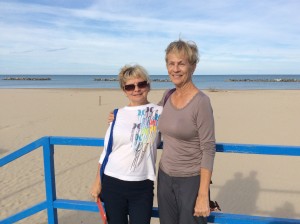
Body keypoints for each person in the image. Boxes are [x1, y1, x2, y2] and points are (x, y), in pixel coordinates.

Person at [90, 64, 163, 224]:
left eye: (141, 84)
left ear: (148, 85)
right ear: (124, 91)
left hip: (143, 185)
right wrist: (97, 181)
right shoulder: (117, 114)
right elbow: (107, 151)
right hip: (112, 182)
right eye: (130, 86)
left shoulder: (159, 112)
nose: (136, 89)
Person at [157, 39, 216, 224]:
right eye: (171, 63)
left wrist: (202, 194)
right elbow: (148, 118)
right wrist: (118, 116)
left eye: (181, 63)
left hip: (191, 181)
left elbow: (208, 148)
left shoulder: (201, 102)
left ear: (193, 66)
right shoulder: (167, 96)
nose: (175, 69)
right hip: (165, 178)